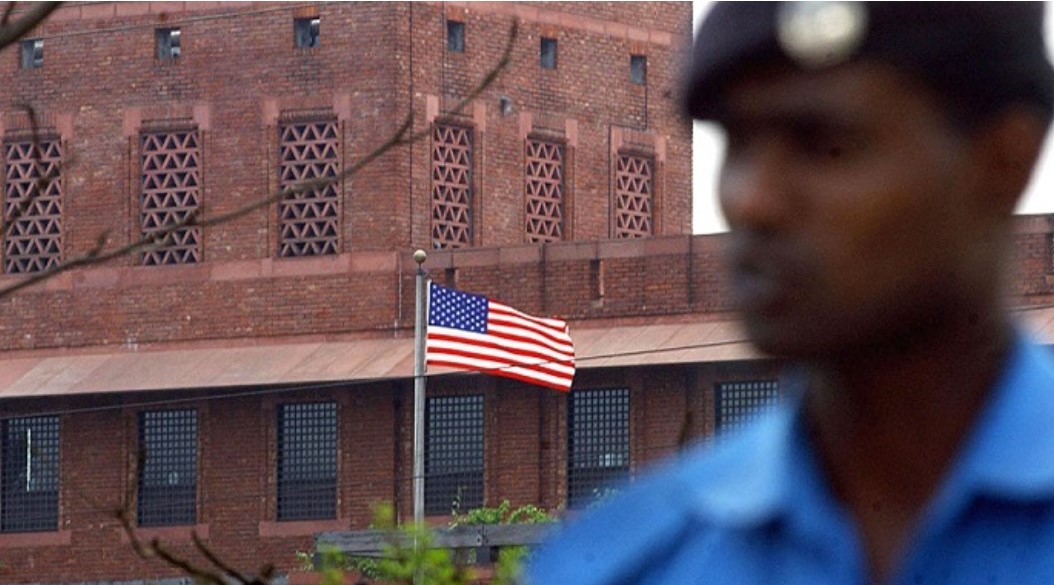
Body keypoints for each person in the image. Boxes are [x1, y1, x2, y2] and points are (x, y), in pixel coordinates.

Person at [526, 2, 1054, 584]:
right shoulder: (629, 563)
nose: (754, 200)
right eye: (740, 142)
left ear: (1004, 160)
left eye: (825, 144)